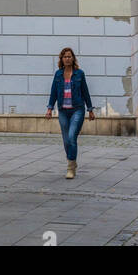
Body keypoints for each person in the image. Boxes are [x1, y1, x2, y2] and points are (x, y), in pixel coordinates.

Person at [46, 46, 95, 178]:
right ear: (61, 59)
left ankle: (70, 168)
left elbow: (85, 92)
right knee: (66, 140)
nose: (67, 59)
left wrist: (90, 110)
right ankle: (72, 161)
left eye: (69, 56)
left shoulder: (79, 73)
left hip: (77, 110)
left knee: (72, 137)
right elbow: (53, 92)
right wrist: (50, 108)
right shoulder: (58, 74)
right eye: (65, 57)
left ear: (73, 58)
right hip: (63, 111)